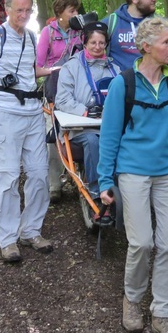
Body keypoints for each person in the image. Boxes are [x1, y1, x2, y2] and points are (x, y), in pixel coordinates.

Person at [98, 17, 168, 333]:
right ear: (146, 47)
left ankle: (162, 315)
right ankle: (132, 301)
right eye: (167, 43)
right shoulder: (123, 83)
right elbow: (109, 135)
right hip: (133, 173)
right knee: (141, 243)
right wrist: (105, 180)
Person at [0, 0, 58, 263]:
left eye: (28, 11)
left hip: (34, 112)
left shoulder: (31, 36)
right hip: (6, 113)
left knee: (38, 174)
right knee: (8, 176)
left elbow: (30, 71)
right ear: (8, 9)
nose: (24, 15)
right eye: (19, 10)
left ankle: (31, 230)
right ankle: (8, 239)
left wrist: (56, 70)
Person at [55, 21, 120, 202]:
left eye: (101, 43)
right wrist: (84, 111)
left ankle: (126, 187)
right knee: (92, 141)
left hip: (109, 125)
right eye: (93, 43)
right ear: (85, 43)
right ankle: (96, 191)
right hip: (80, 129)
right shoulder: (71, 67)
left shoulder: (115, 69)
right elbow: (62, 99)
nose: (97, 47)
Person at [37, 0, 85, 203]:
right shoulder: (47, 33)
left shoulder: (81, 31)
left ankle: (79, 177)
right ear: (60, 13)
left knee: (80, 131)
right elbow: (38, 69)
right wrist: (57, 69)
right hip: (54, 88)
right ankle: (54, 184)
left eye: (77, 10)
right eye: (71, 11)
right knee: (53, 135)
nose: (76, 14)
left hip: (78, 88)